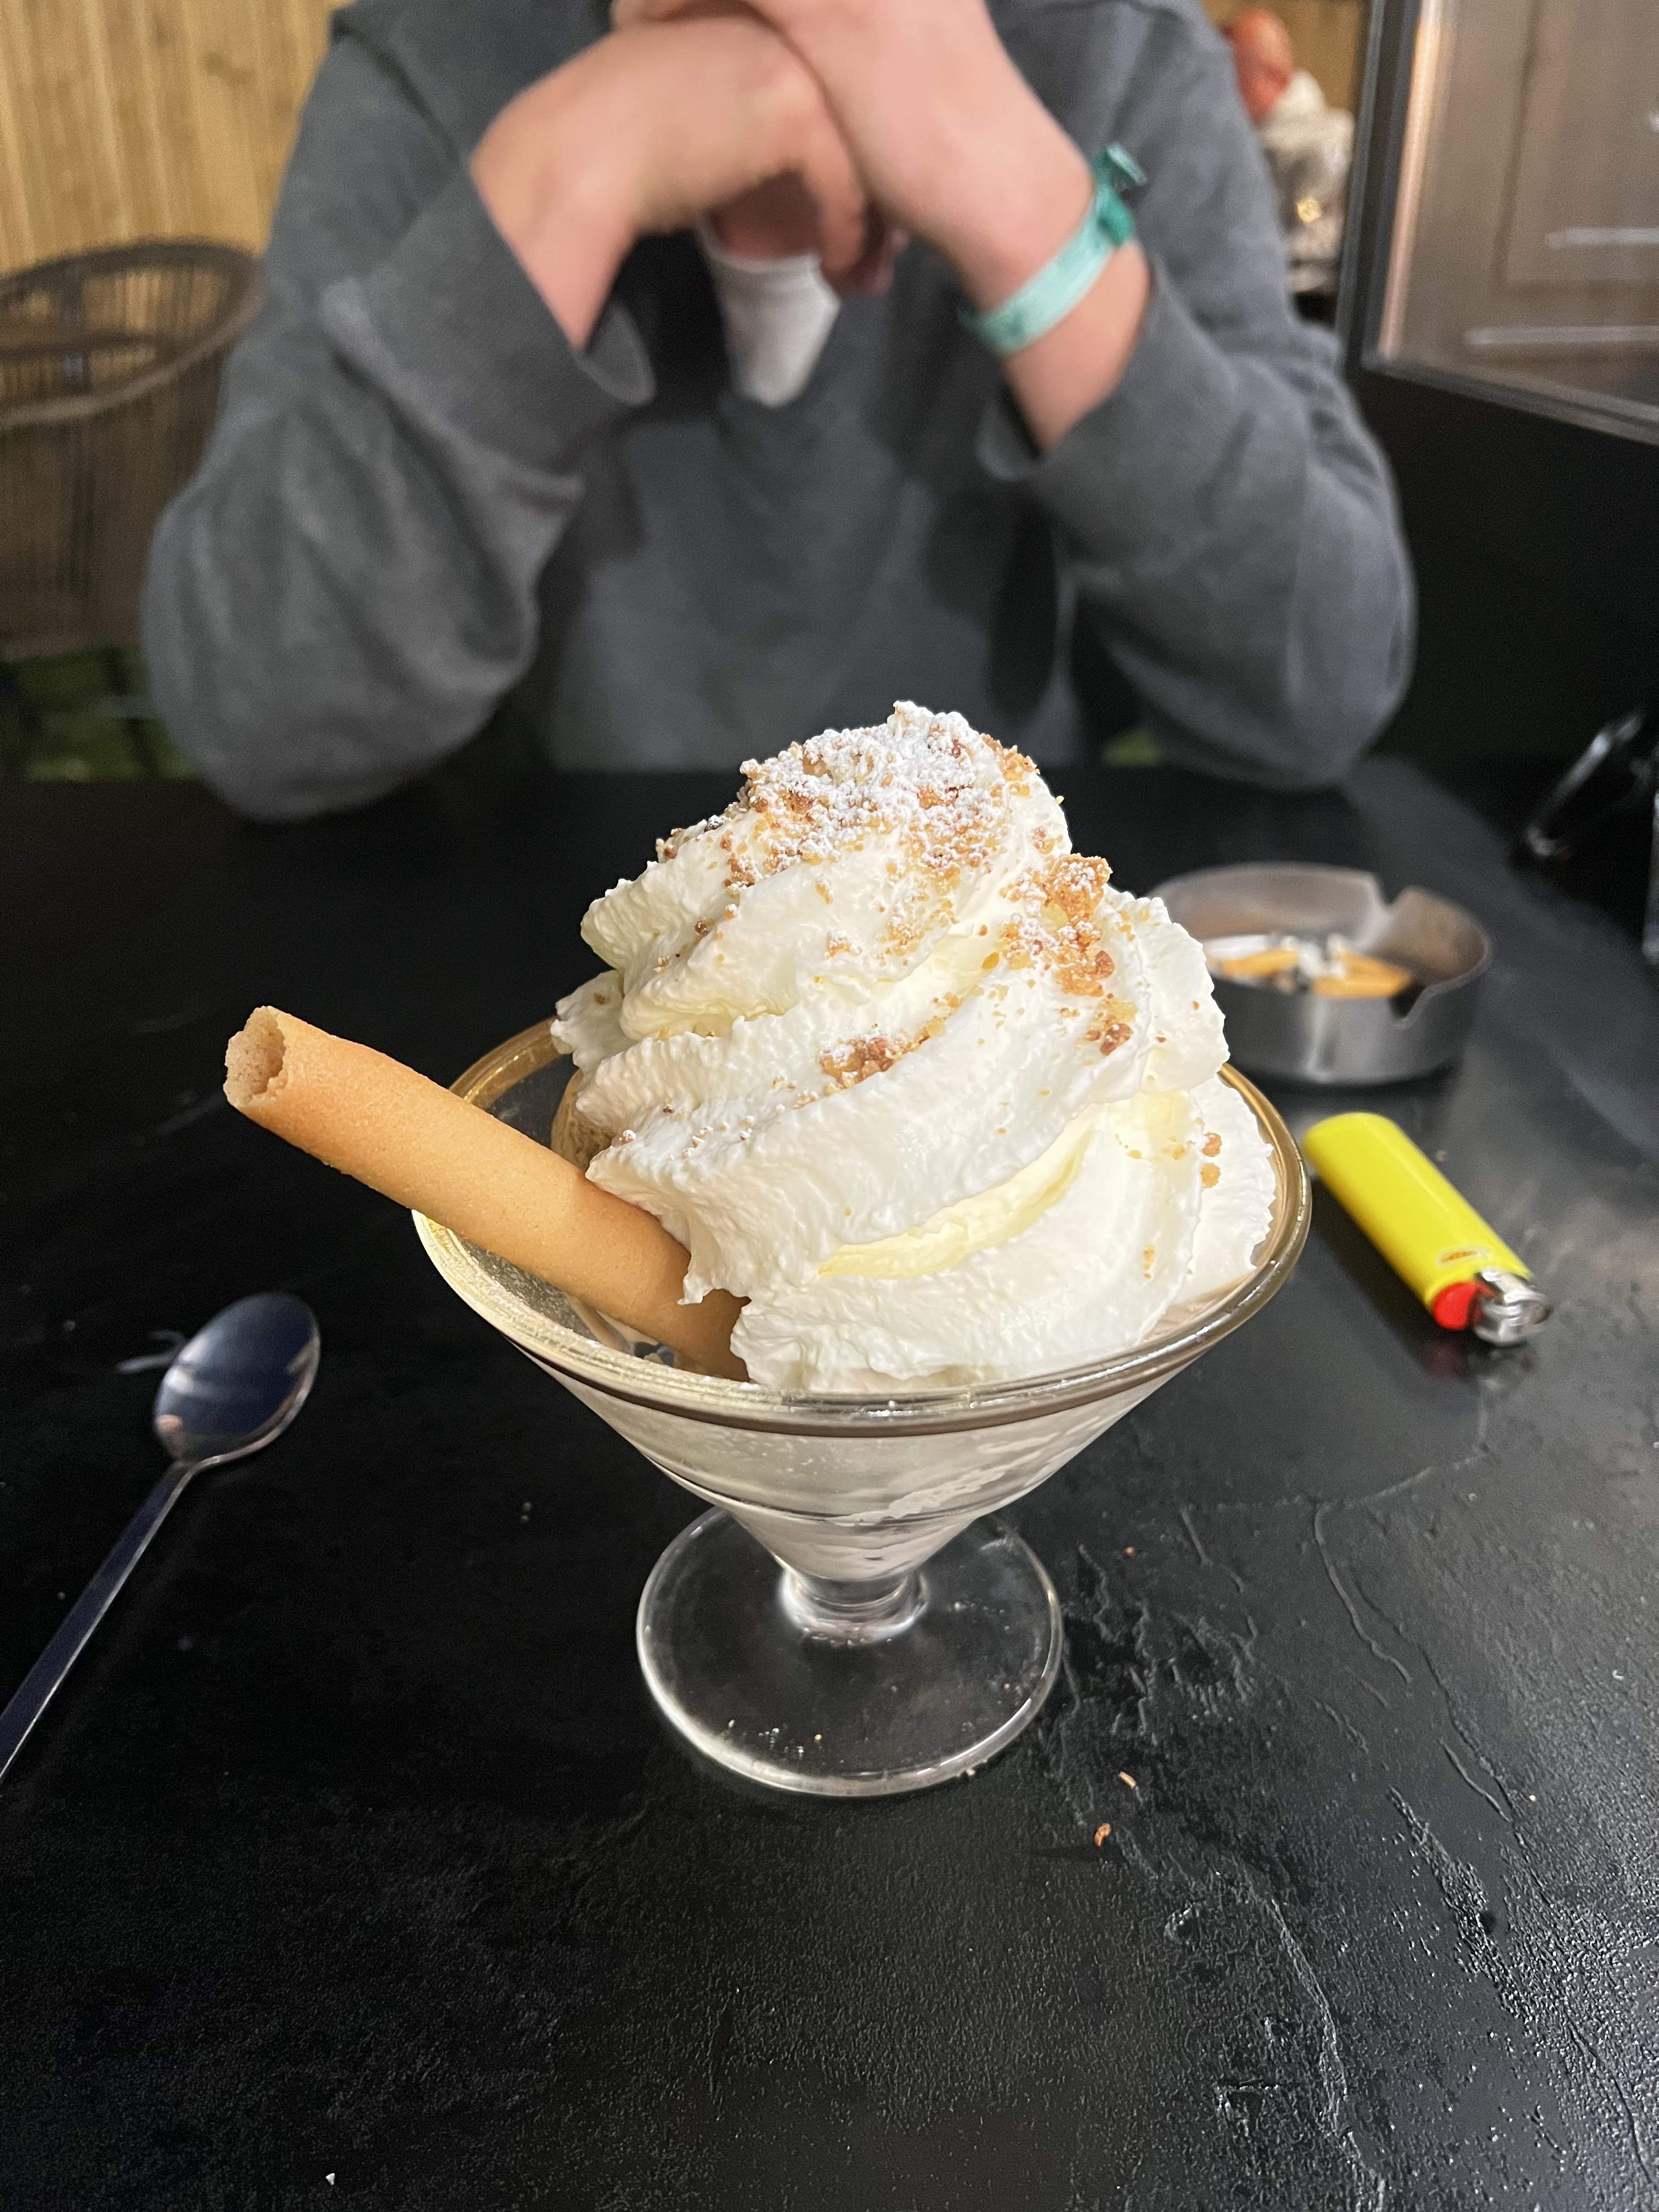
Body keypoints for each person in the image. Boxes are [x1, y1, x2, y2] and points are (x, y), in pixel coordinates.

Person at [142, 0, 1412, 821]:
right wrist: (565, 173)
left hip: (1007, 980)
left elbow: (1320, 682)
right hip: (528, 978)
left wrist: (1020, 200)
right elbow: (261, 715)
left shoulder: (1121, 55)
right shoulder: (435, 60)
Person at [1226, 7, 1355, 300]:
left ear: (1275, 77)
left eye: (1235, 76)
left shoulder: (1326, 144)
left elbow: (1314, 220)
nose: (1225, 92)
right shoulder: (1251, 140)